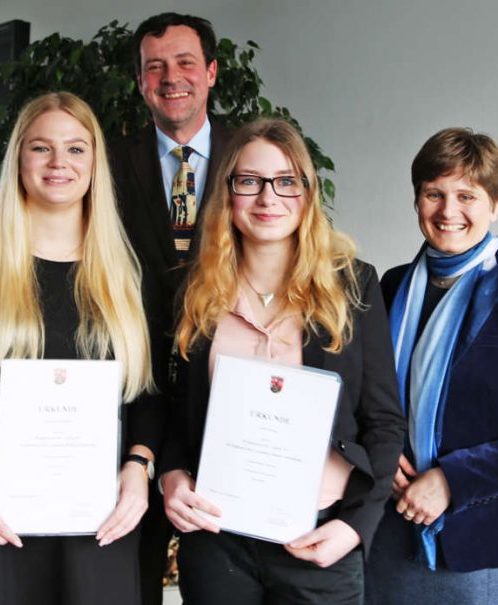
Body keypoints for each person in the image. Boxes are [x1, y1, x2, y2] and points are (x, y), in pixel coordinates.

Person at [0, 92, 163, 605]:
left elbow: (150, 397)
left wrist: (138, 469)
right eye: (40, 148)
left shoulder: (129, 276)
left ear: (95, 163)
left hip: (100, 526)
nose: (58, 164)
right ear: (18, 159)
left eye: (75, 149)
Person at [158, 118, 406, 605]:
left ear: (307, 193)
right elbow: (175, 413)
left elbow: (384, 421)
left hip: (319, 541)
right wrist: (170, 476)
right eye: (249, 181)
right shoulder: (196, 288)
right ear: (227, 193)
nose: (268, 198)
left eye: (286, 182)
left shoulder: (351, 286)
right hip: (217, 540)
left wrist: (355, 528)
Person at [363, 128, 498, 604]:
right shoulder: (390, 287)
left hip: (475, 538)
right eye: (433, 194)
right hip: (384, 527)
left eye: (467, 195)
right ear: (417, 200)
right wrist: (377, 456)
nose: (448, 211)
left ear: (495, 204)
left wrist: (450, 480)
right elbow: (365, 397)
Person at [108, 12, 233, 604]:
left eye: (185, 62)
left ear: (210, 72)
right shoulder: (105, 164)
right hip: (133, 394)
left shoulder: (253, 156)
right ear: (140, 82)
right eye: (154, 66)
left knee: (226, 570)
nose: (171, 77)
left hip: (230, 393)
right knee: (132, 571)